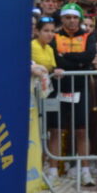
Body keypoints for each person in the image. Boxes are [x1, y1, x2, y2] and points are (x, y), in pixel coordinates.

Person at [53, 3, 97, 186]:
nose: (72, 21)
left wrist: (66, 60)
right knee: (55, 130)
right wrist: (76, 62)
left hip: (80, 87)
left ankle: (86, 171)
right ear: (62, 19)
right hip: (58, 88)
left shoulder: (88, 35)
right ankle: (53, 171)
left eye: (75, 18)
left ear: (79, 19)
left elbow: (88, 56)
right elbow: (55, 58)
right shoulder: (55, 36)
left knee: (82, 130)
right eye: (68, 18)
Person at [32, 16, 64, 181]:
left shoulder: (51, 49)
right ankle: (36, 168)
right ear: (37, 31)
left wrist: (57, 72)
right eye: (46, 31)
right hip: (33, 95)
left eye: (52, 31)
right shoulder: (31, 46)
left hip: (49, 93)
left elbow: (52, 69)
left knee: (53, 130)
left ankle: (52, 170)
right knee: (37, 132)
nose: (49, 34)